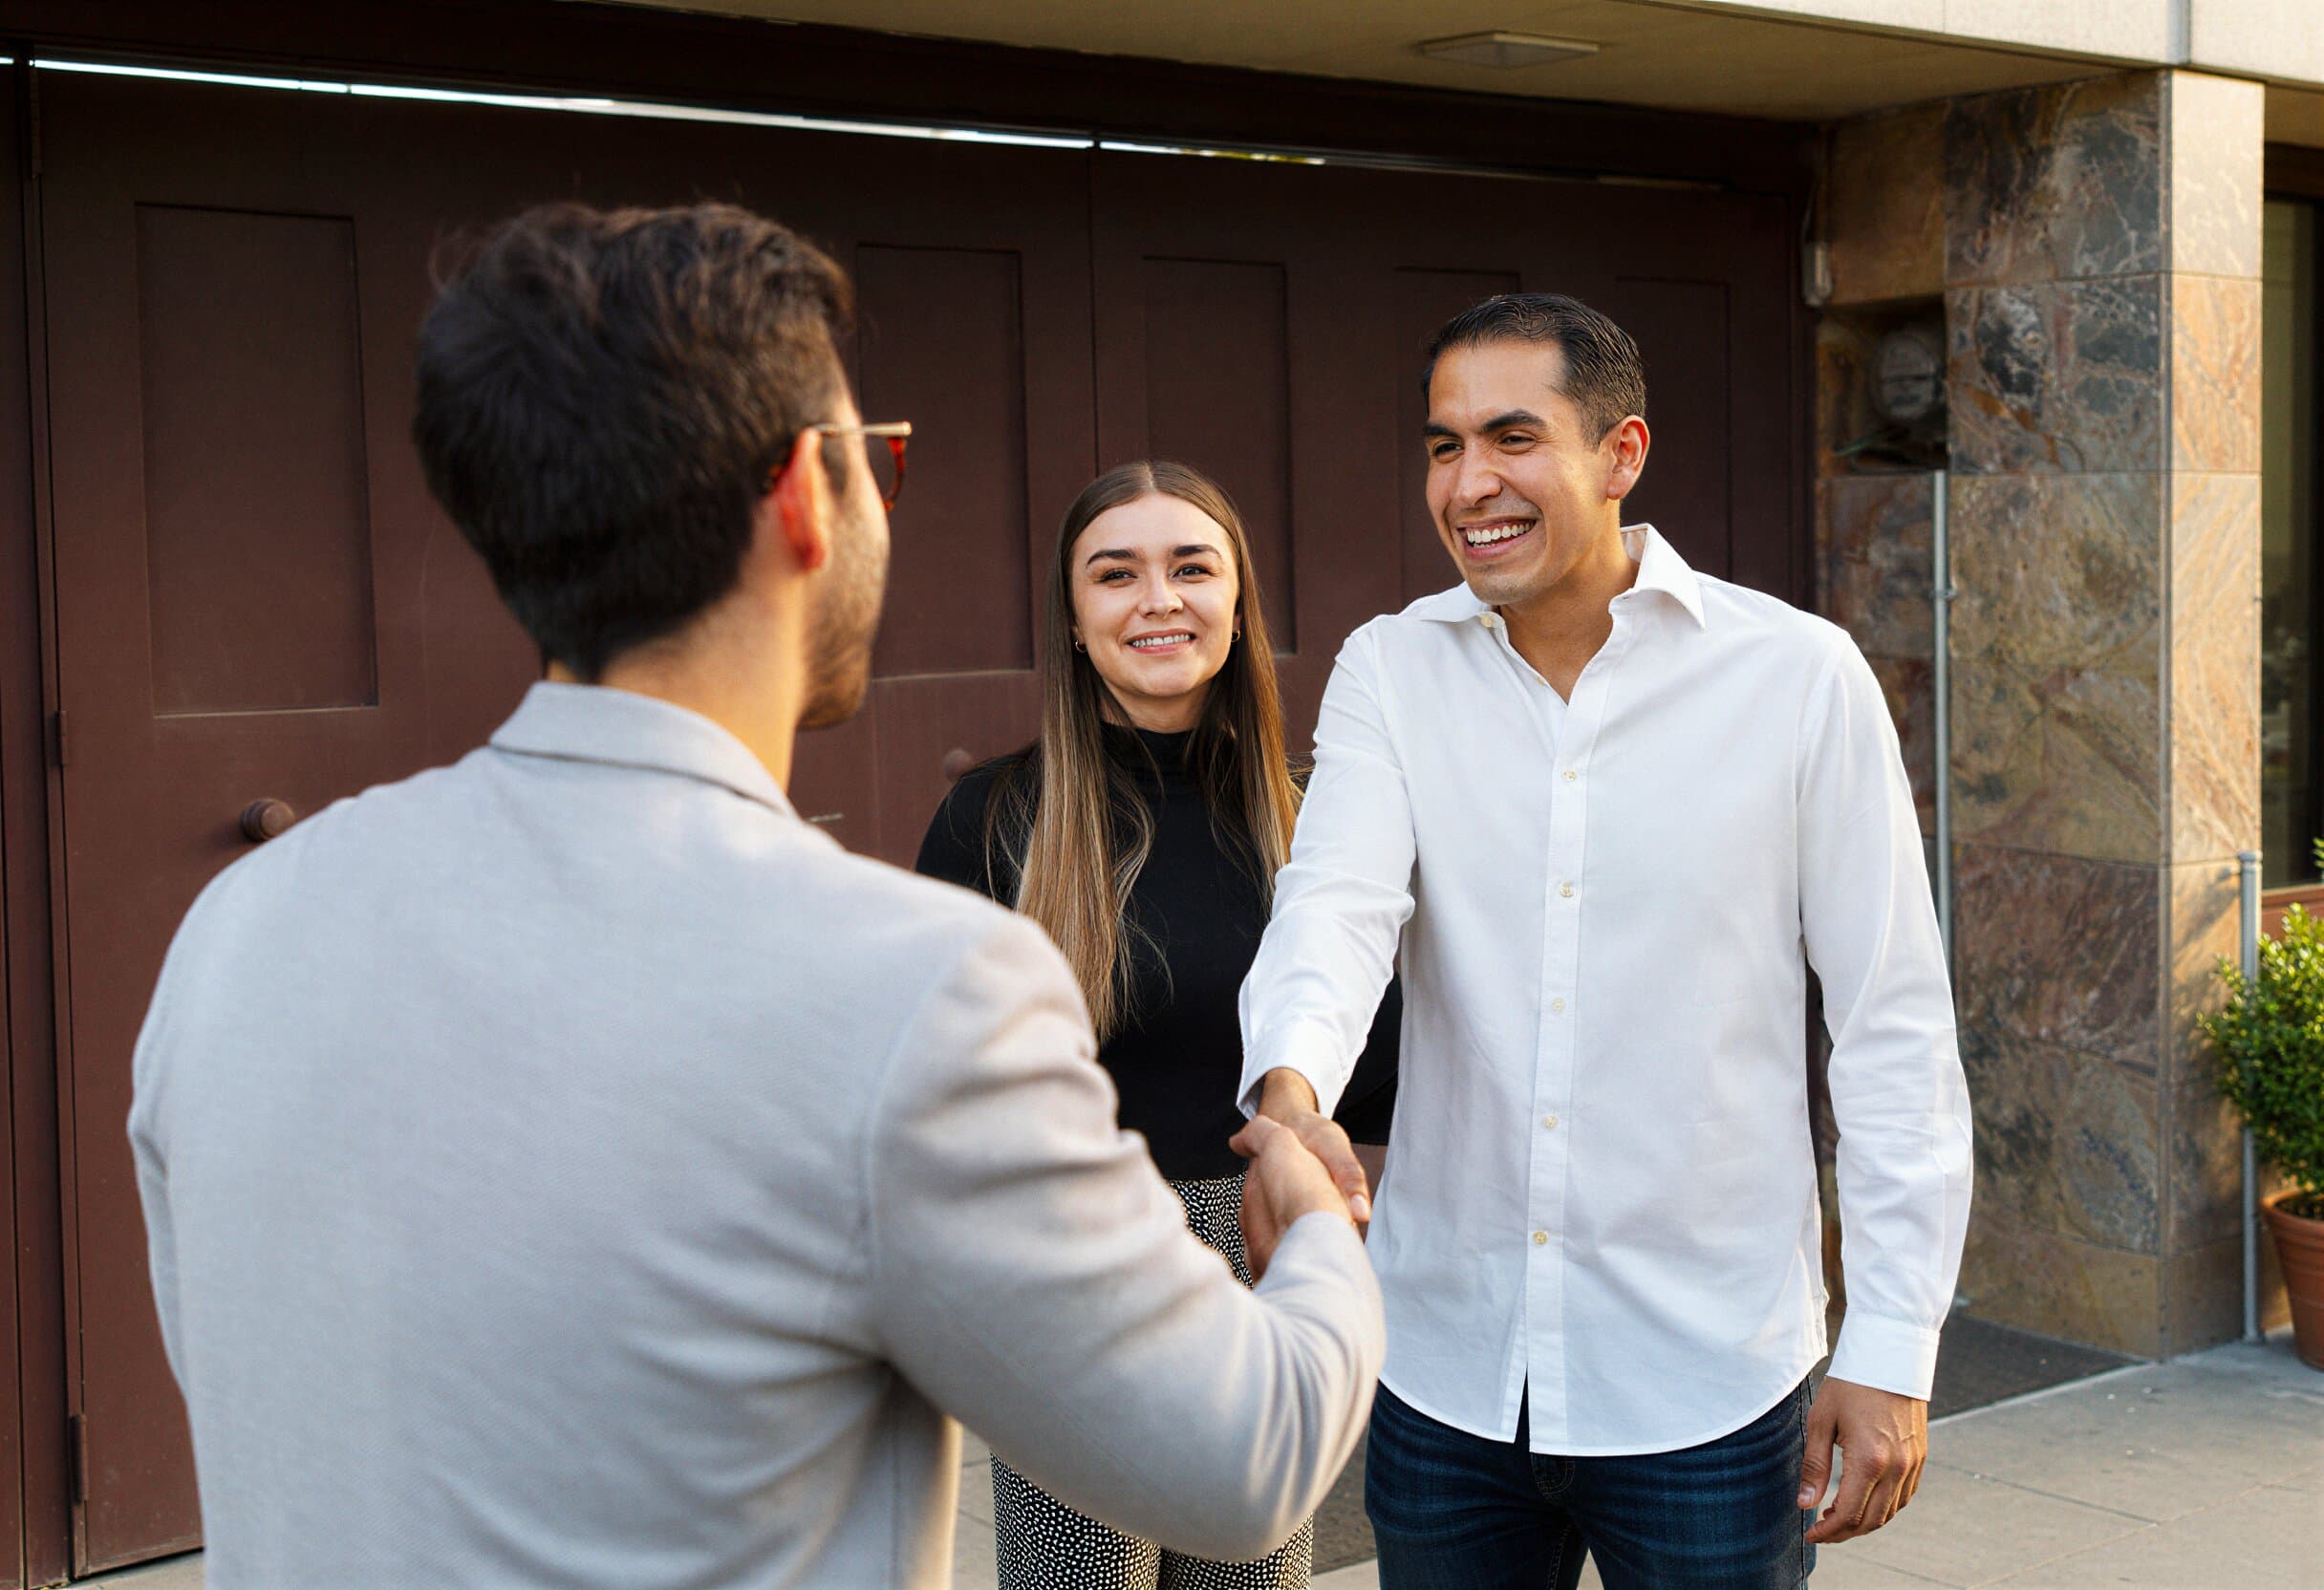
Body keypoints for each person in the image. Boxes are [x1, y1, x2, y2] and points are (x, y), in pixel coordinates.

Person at [126, 202, 1383, 1590]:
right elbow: (1248, 1458)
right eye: (879, 463)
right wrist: (1317, 1223)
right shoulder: (916, 982)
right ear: (804, 496)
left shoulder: (244, 928)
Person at [1234, 293, 1972, 1590]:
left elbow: (1892, 1024)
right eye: (1443, 446)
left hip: (1710, 1384)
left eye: (1512, 438)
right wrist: (1293, 1097)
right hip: (1449, 1370)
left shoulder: (1798, 678)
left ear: (1622, 454)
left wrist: (1892, 1347)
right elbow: (1337, 908)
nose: (1470, 485)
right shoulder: (1391, 669)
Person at [916, 460, 1400, 1590]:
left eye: (1192, 567)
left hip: (1262, 1252)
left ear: (1237, 606)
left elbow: (1373, 1070)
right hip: (1080, 1272)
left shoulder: (1317, 830)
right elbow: (935, 1091)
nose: (1157, 599)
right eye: (1114, 573)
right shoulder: (994, 819)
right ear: (1073, 620)